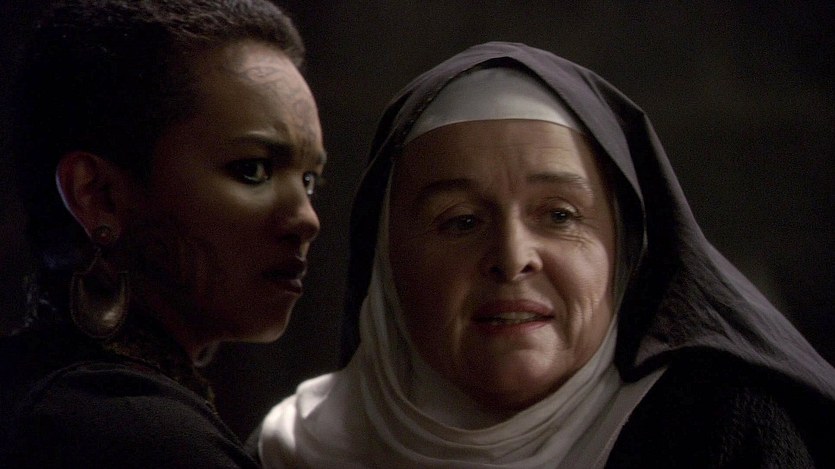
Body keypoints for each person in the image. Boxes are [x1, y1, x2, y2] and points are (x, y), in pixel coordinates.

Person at [255, 42, 835, 468]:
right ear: (387, 264)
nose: (512, 258)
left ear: (624, 253)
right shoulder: (292, 452)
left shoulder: (723, 432)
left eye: (559, 216)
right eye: (461, 221)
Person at [0, 1, 325, 467]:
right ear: (98, 195)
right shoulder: (131, 434)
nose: (307, 219)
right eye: (252, 169)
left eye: (309, 180)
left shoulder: (48, 393)